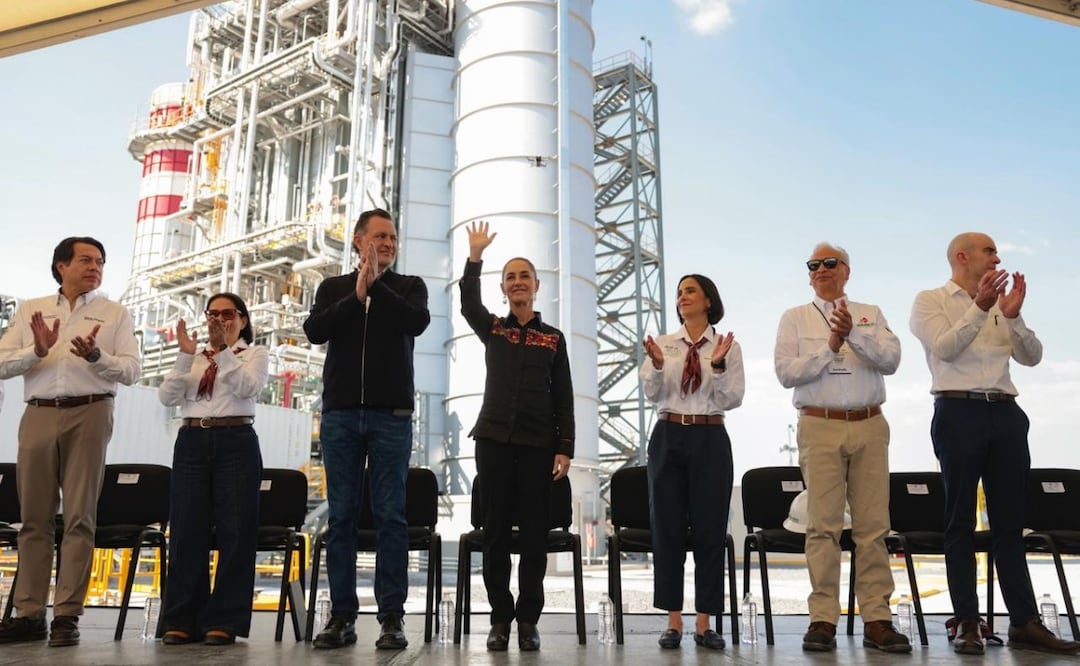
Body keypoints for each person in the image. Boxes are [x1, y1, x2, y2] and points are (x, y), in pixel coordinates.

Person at [910, 232, 1080, 656]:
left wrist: (1014, 317)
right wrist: (980, 307)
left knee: (1010, 522)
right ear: (962, 257)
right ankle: (968, 621)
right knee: (960, 521)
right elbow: (946, 349)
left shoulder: (1001, 305)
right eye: (989, 251)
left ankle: (1023, 622)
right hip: (957, 410)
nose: (997, 258)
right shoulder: (930, 301)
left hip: (1006, 413)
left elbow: (1032, 357)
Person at [0, 237, 141, 647]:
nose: (95, 267)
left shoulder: (115, 313)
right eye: (85, 260)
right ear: (61, 266)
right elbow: (2, 363)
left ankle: (66, 615)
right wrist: (36, 350)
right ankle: (29, 614)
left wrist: (97, 357)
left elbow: (132, 370)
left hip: (91, 411)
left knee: (80, 516)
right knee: (34, 518)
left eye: (100, 261)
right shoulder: (31, 309)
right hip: (39, 411)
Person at [303, 208, 430, 650]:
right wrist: (356, 297)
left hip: (391, 416)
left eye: (393, 237)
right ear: (358, 241)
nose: (389, 243)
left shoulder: (409, 286)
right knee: (341, 518)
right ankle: (342, 616)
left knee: (391, 516)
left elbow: (417, 322)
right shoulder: (333, 288)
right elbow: (314, 330)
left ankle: (391, 617)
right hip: (340, 416)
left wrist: (376, 287)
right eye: (380, 236)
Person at [774, 242, 908, 653]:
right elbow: (786, 373)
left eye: (830, 263)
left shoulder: (870, 313)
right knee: (822, 527)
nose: (821, 269)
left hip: (869, 423)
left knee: (873, 527)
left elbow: (891, 360)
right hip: (819, 423)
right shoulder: (795, 318)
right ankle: (823, 619)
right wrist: (830, 346)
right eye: (814, 264)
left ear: (846, 271)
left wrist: (854, 335)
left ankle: (877, 618)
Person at [459, 221, 574, 652]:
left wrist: (565, 447)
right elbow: (468, 303)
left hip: (538, 447)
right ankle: (500, 619)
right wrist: (475, 258)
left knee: (533, 538)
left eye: (525, 275)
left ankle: (527, 620)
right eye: (511, 277)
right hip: (492, 442)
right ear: (504, 288)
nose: (518, 281)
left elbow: (564, 397)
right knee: (495, 536)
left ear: (536, 286)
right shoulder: (494, 329)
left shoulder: (553, 339)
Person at [156, 293, 269, 645]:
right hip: (192, 439)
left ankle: (224, 619)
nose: (219, 319)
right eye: (213, 313)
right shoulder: (193, 356)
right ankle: (182, 618)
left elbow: (248, 387)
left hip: (235, 438)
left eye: (228, 313)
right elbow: (167, 397)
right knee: (187, 528)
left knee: (236, 530)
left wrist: (222, 351)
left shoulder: (254, 354)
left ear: (243, 320)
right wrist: (183, 355)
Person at [640, 272, 743, 650]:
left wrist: (717, 367)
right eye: (679, 292)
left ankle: (704, 622)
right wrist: (655, 365)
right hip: (668, 434)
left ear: (708, 301)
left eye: (690, 291)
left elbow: (733, 398)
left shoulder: (727, 346)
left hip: (710, 436)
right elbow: (652, 393)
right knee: (666, 527)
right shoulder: (664, 345)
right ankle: (673, 621)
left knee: (709, 530)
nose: (682, 297)